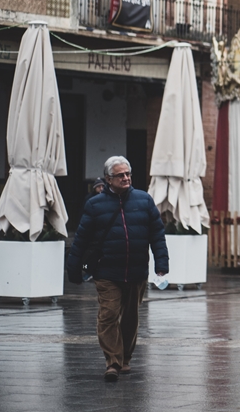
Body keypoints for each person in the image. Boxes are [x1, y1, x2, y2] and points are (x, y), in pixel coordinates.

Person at [66, 156, 168, 382]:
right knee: (109, 315)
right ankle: (112, 361)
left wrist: (161, 264)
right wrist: (74, 268)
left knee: (130, 318)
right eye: (120, 175)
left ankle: (125, 358)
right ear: (108, 179)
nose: (126, 178)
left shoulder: (144, 200)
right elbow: (81, 239)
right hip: (107, 272)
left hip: (136, 271)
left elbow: (157, 235)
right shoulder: (95, 204)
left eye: (128, 174)